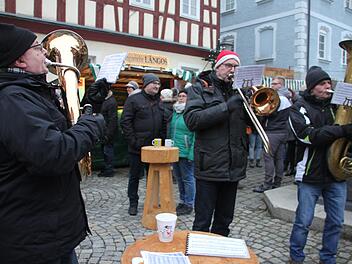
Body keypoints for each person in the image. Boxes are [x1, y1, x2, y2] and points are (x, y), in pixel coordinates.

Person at [0, 23, 105, 264]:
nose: (46, 52)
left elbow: (56, 133)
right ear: (20, 62)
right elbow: (53, 154)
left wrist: (90, 103)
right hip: (33, 240)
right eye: (38, 48)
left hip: (47, 229)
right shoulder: (12, 99)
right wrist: (91, 125)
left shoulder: (28, 93)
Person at [288, 66, 350, 264]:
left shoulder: (336, 106)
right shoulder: (298, 108)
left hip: (336, 176)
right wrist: (342, 130)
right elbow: (308, 136)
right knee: (303, 222)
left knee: (336, 222)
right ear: (312, 87)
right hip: (309, 175)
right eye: (323, 84)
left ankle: (328, 258)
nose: (328, 86)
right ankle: (296, 257)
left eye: (329, 83)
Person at [184, 50, 249, 236]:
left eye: (236, 66)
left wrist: (257, 109)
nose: (233, 70)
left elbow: (254, 124)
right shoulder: (199, 87)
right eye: (229, 65)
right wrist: (226, 107)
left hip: (234, 164)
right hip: (209, 165)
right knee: (203, 220)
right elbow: (192, 120)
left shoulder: (240, 90)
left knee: (225, 219)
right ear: (218, 67)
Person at [120, 73, 166, 216]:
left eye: (158, 84)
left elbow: (163, 121)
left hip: (154, 147)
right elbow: (125, 122)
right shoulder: (134, 100)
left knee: (153, 177)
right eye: (154, 83)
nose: (157, 86)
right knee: (134, 176)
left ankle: (151, 201)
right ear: (146, 84)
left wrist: (163, 140)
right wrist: (133, 141)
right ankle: (133, 203)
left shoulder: (160, 101)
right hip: (137, 147)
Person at [253, 76, 291, 193]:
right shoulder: (287, 99)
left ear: (281, 85)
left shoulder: (277, 98)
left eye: (275, 84)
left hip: (272, 132)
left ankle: (267, 184)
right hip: (283, 132)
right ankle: (277, 181)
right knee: (279, 158)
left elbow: (266, 113)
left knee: (268, 158)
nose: (272, 85)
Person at [168, 89, 195, 215]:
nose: (181, 98)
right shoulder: (175, 111)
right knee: (179, 178)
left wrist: (191, 153)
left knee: (188, 178)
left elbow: (195, 135)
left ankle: (189, 203)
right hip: (174, 151)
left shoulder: (190, 112)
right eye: (179, 96)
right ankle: (182, 201)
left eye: (184, 96)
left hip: (185, 151)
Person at [98, 87, 118, 177]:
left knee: (108, 151)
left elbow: (112, 119)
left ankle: (109, 170)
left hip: (108, 131)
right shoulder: (107, 100)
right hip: (105, 130)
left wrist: (108, 134)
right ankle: (107, 168)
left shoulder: (111, 102)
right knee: (106, 150)